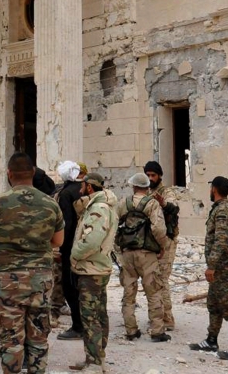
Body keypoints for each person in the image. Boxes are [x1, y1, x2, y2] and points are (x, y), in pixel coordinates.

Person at [0, 153, 65, 374]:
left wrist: (3, 243)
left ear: (9, 173)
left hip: (7, 280)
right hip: (40, 279)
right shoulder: (50, 203)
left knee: (10, 340)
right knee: (38, 337)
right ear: (33, 173)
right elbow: (58, 241)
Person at [190, 176, 228, 360]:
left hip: (222, 267)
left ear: (214, 189)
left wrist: (212, 265)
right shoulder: (220, 209)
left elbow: (220, 240)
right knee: (214, 305)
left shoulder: (222, 211)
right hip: (218, 266)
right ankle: (211, 340)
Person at [69, 173, 117, 373]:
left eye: (82, 186)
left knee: (90, 317)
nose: (80, 189)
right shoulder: (102, 206)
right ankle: (96, 358)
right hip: (96, 267)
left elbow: (91, 241)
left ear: (89, 187)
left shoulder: (98, 208)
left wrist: (73, 255)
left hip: (91, 270)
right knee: (98, 314)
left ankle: (95, 362)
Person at [115, 172, 169, 342]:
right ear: (147, 187)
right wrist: (162, 246)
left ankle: (131, 330)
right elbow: (158, 229)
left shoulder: (123, 203)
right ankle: (157, 331)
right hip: (147, 254)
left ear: (133, 186)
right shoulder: (152, 204)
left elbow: (114, 225)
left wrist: (118, 249)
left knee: (128, 293)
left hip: (127, 253)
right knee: (153, 291)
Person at [144, 161, 180, 331]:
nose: (150, 178)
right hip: (153, 241)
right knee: (153, 280)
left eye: (153, 175)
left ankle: (167, 318)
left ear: (159, 176)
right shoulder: (147, 192)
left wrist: (164, 203)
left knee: (162, 279)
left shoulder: (166, 192)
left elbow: (174, 208)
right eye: (148, 175)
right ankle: (158, 315)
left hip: (167, 241)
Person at [54, 160, 84, 340]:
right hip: (85, 245)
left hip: (70, 246)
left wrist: (61, 248)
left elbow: (67, 223)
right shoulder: (84, 189)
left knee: (69, 286)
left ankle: (78, 326)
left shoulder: (66, 193)